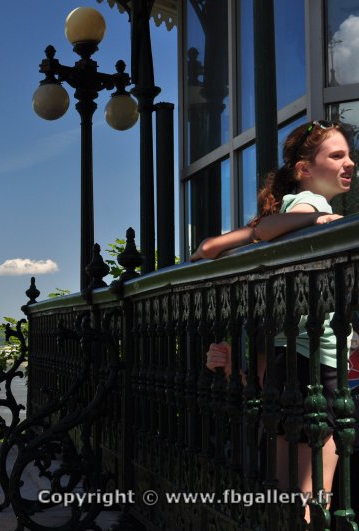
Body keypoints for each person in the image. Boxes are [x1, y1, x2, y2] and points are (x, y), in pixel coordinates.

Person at [197, 120, 355, 522]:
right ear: (304, 169)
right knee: (312, 502)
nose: (350, 163)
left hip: (289, 367)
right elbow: (267, 229)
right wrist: (321, 221)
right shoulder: (313, 205)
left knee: (286, 500)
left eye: (350, 155)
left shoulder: (289, 207)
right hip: (319, 372)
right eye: (337, 155)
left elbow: (213, 246)